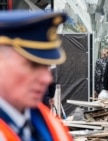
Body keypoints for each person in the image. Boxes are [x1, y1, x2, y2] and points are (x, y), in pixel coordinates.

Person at [0, 10, 72, 141]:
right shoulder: (51, 125)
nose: (47, 79)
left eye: (46, 66)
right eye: (33, 65)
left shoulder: (52, 125)